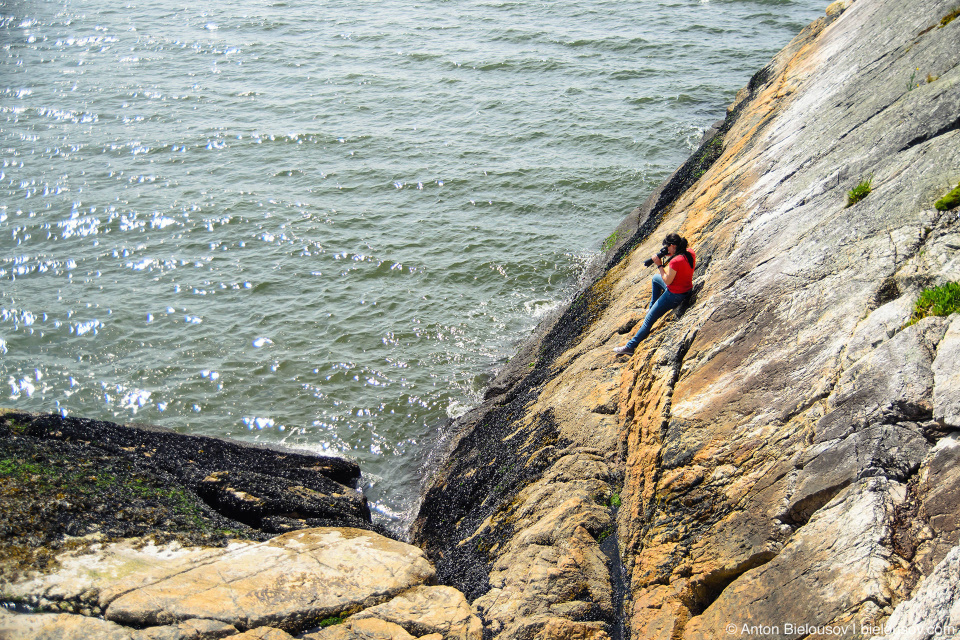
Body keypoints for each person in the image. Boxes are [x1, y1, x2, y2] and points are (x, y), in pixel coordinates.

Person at [613, 233, 696, 355]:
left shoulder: (675, 261)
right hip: (686, 288)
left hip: (674, 295)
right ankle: (652, 306)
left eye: (667, 247)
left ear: (672, 246)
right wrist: (669, 254)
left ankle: (630, 347)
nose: (666, 249)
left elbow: (667, 280)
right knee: (656, 279)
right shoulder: (689, 252)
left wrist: (659, 265)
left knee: (648, 320)